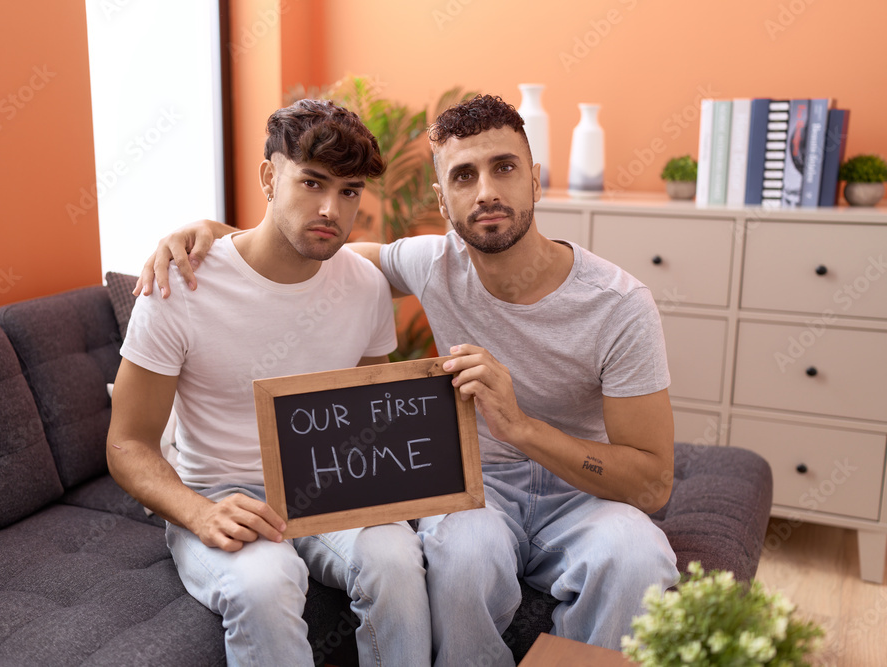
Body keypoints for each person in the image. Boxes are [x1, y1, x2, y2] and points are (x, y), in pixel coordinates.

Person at [138, 94, 680, 665]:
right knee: (460, 553)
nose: (487, 192)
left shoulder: (619, 305)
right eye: (464, 176)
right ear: (442, 200)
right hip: (479, 485)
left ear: (536, 181)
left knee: (639, 558)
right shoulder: (428, 262)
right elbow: (304, 248)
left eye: (505, 167)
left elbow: (652, 485)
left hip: (581, 491)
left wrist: (520, 427)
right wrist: (213, 235)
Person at [107, 99, 432, 666]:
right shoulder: (179, 285)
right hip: (218, 495)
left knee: (400, 559)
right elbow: (126, 444)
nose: (331, 208)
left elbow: (364, 418)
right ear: (268, 176)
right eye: (311, 183)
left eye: (350, 191)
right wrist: (199, 513)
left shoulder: (365, 286)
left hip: (328, 487)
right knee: (264, 584)